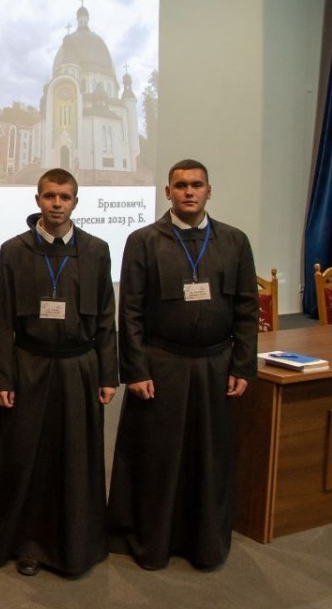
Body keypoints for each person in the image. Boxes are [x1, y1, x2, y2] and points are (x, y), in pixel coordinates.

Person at [107, 159, 258, 571]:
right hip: (162, 367)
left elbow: (247, 308)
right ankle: (154, 541)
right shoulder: (143, 241)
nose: (189, 192)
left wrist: (242, 366)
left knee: (208, 457)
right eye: (180, 185)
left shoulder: (234, 241)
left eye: (196, 185)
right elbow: (130, 312)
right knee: (160, 456)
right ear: (168, 192)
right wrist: (136, 370)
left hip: (216, 366)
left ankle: (204, 542)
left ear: (209, 191)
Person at [0, 168, 118, 577]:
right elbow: (1, 318)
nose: (57, 203)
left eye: (65, 197)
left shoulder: (96, 250)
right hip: (30, 367)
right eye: (50, 196)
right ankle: (27, 543)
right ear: (37, 199)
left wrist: (107, 375)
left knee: (76, 457)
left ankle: (77, 542)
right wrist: (1, 377)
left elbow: (106, 318)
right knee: (27, 457)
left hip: (80, 369)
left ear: (76, 202)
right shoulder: (14, 250)